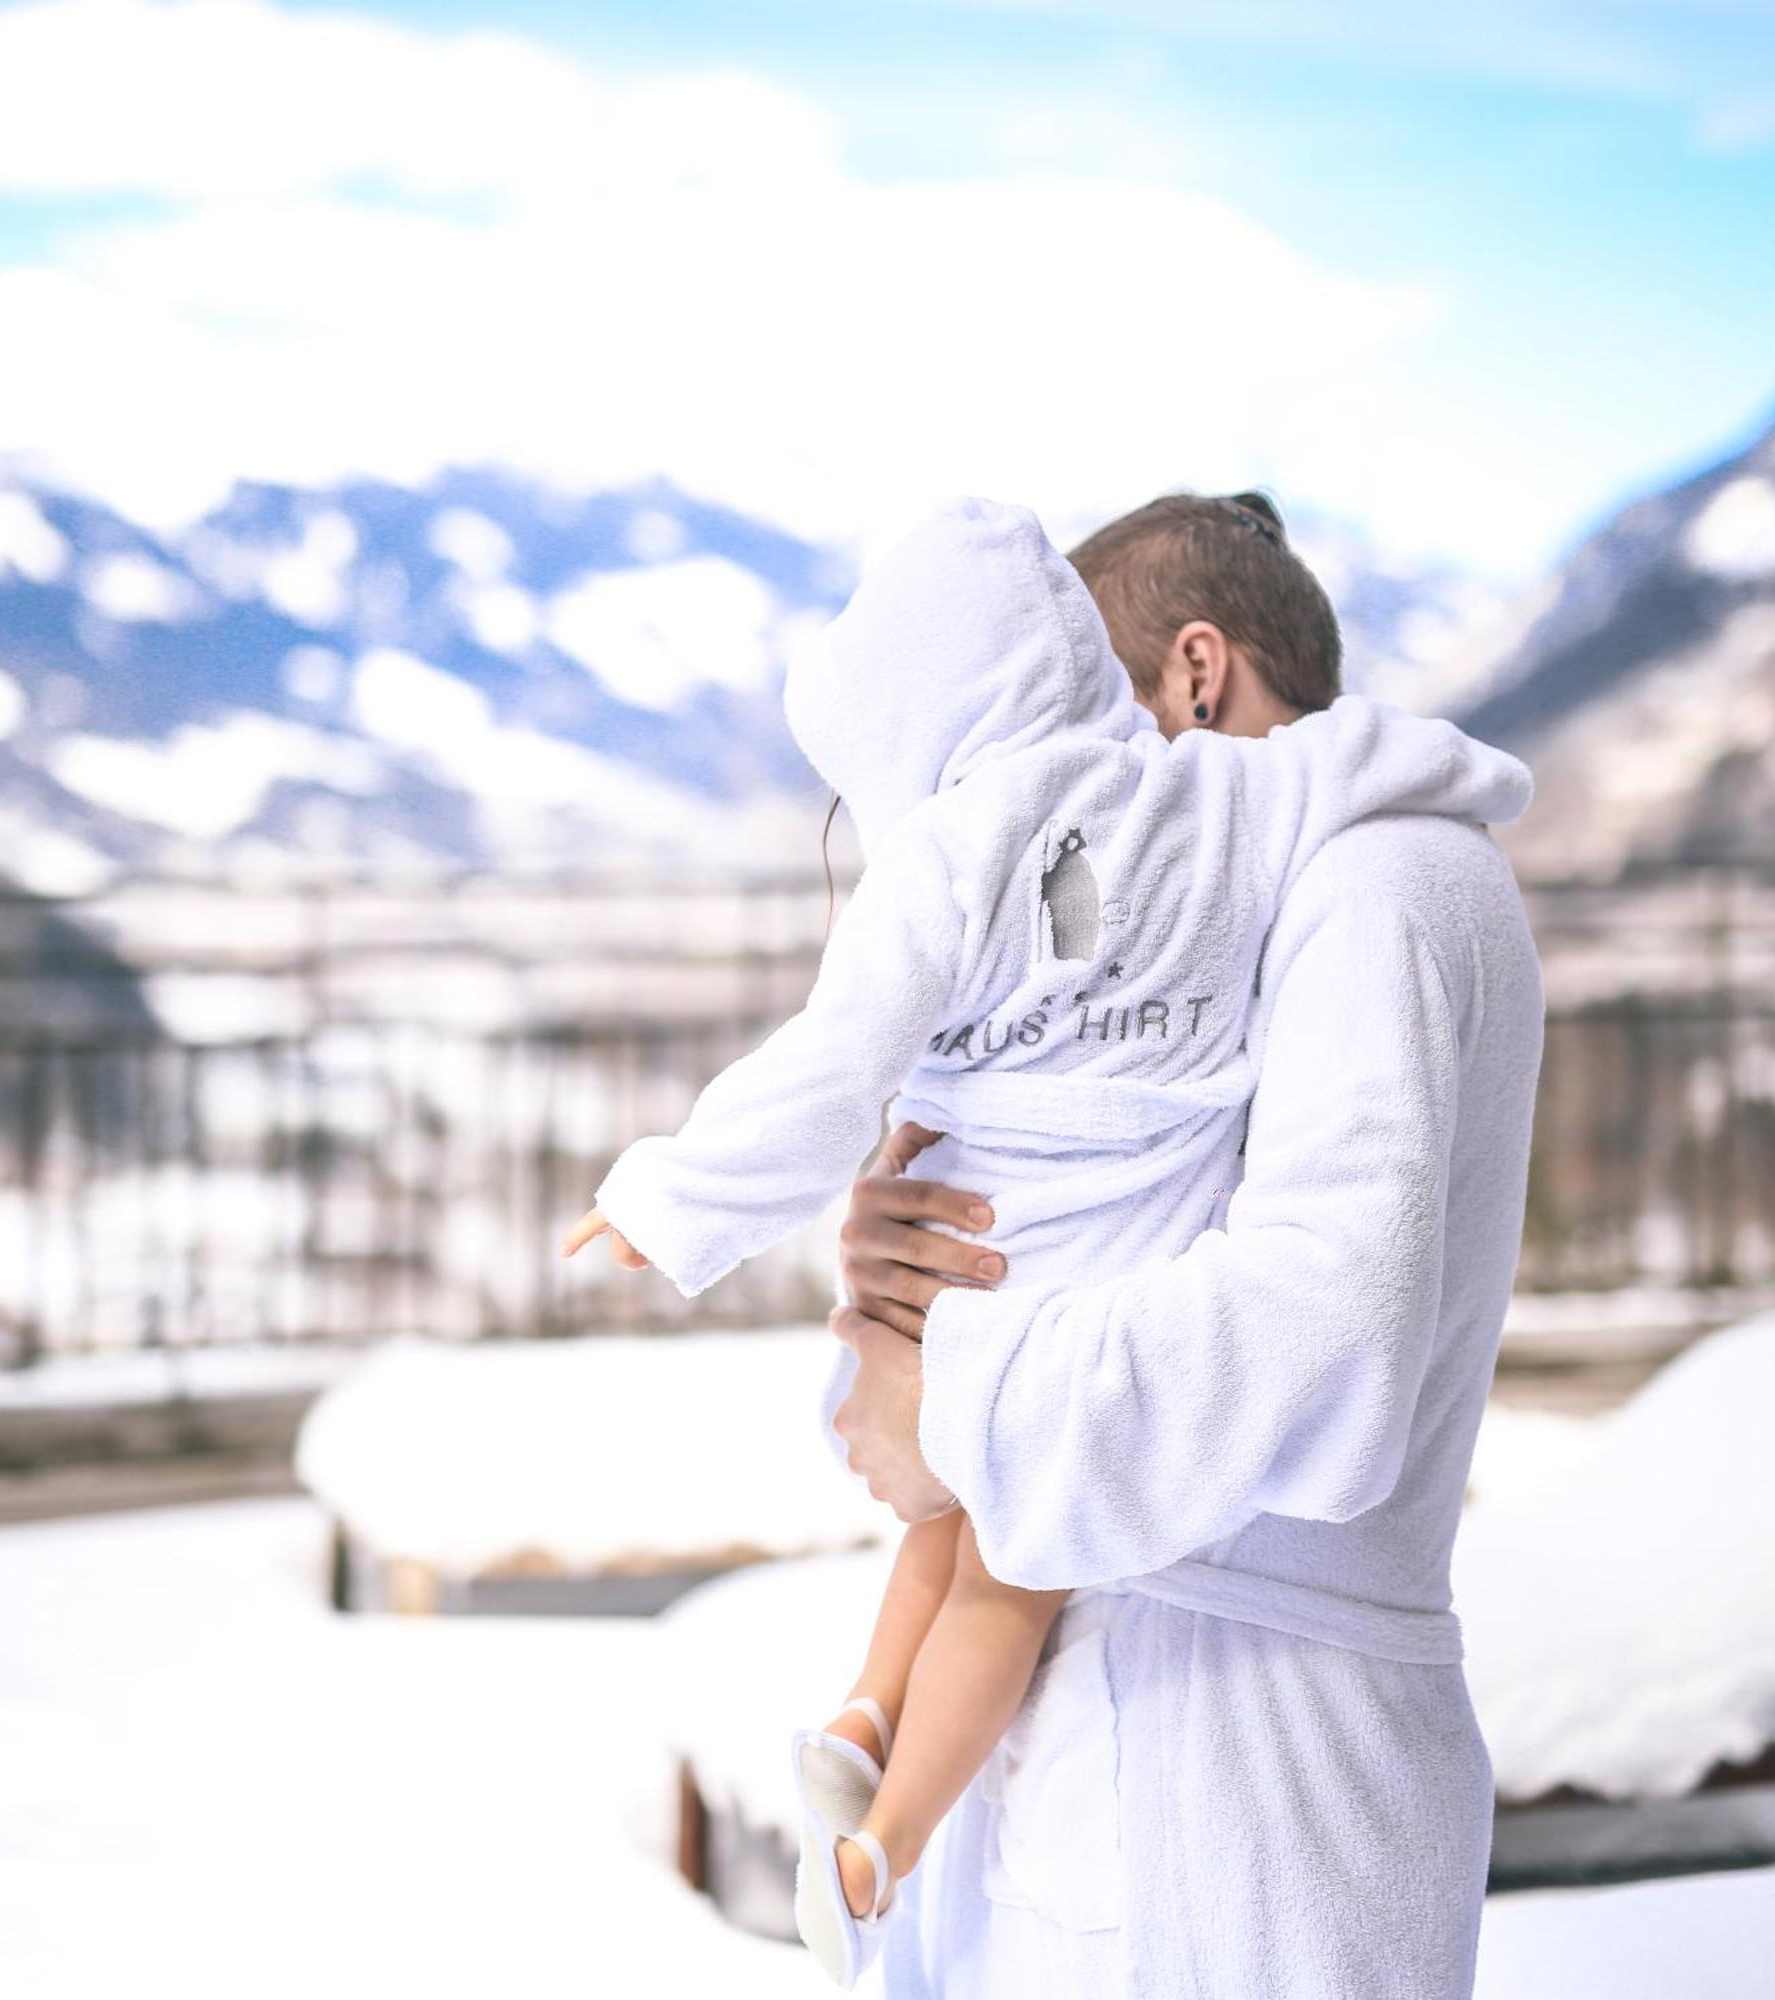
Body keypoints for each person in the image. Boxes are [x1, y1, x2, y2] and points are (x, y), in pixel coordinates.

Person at [561, 493, 1534, 1989]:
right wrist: (923, 1238)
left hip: (1253, 1766)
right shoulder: (1233, 899)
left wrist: (949, 1392)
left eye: (1106, 696)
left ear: (1194, 674)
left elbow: (1331, 1325)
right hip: (1096, 1730)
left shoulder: (1392, 881)